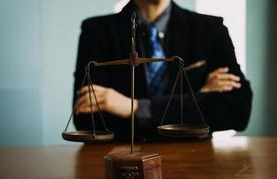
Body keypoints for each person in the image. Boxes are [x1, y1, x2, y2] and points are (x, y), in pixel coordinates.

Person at [73, 0, 253, 142]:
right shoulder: (96, 32)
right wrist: (197, 97)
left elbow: (237, 111)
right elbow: (88, 121)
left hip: (194, 162)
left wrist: (134, 108)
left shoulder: (210, 29)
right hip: (122, 159)